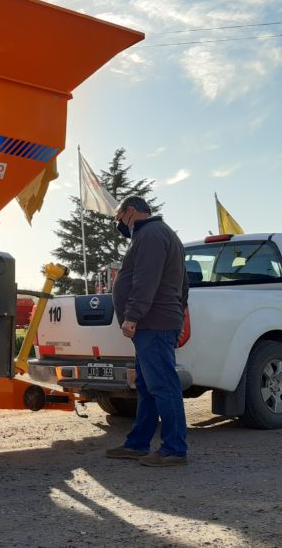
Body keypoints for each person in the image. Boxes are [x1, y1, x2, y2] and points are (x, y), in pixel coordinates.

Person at [104, 195, 190, 467]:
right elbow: (183, 284)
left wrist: (132, 316)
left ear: (130, 211)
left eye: (119, 218)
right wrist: (178, 313)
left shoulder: (151, 234)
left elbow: (146, 279)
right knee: (148, 386)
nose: (120, 224)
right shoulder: (160, 234)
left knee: (163, 385)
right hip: (155, 323)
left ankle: (174, 449)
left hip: (154, 323)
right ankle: (138, 444)